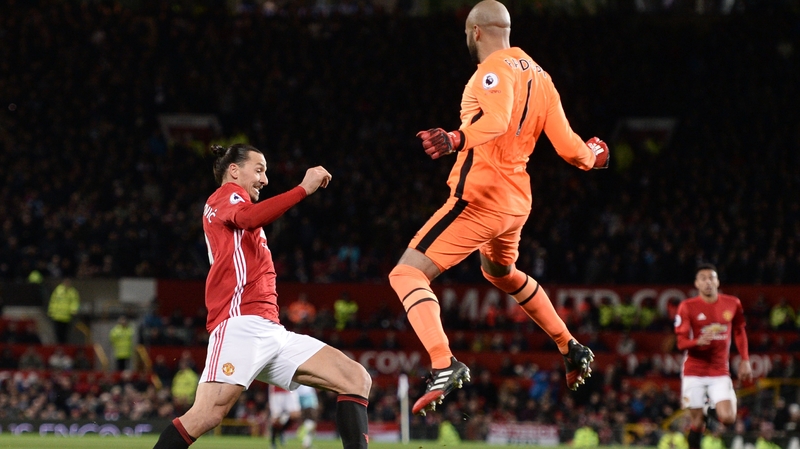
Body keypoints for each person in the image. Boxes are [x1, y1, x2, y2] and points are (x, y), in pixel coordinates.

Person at [387, 0, 606, 415]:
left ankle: (443, 363)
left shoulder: (489, 73)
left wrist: (454, 139)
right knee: (499, 273)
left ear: (475, 33)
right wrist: (598, 156)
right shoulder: (543, 78)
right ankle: (570, 346)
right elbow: (574, 151)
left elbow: (497, 121)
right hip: (516, 203)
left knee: (407, 273)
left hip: (479, 199)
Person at [152, 144, 370, 449]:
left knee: (354, 377)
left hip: (271, 330)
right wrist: (302, 189)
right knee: (207, 414)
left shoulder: (239, 205)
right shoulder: (226, 196)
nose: (264, 179)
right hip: (240, 323)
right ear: (234, 170)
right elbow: (248, 219)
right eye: (259, 170)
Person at [674, 263, 752, 449]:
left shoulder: (732, 303)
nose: (708, 281)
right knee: (697, 422)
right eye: (703, 278)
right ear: (696, 284)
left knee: (728, 418)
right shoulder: (687, 306)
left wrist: (745, 360)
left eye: (712, 277)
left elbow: (740, 331)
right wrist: (697, 342)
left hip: (719, 370)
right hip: (694, 371)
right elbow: (681, 342)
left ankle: (709, 409)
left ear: (717, 281)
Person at [268, 384, 301, 449]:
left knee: (295, 415)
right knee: (276, 418)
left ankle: (281, 431)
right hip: (276, 390)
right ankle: (273, 442)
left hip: (289, 388)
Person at [48, 278, 80, 344]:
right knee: (58, 333)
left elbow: (75, 302)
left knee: (65, 334)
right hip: (57, 316)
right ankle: (58, 345)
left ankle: (64, 345)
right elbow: (53, 301)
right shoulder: (58, 290)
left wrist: (74, 310)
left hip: (66, 317)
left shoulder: (72, 292)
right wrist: (50, 311)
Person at [296, 384, 319, 449]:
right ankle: (303, 430)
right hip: (308, 393)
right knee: (312, 419)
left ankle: (306, 444)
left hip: (297, 393)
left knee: (305, 418)